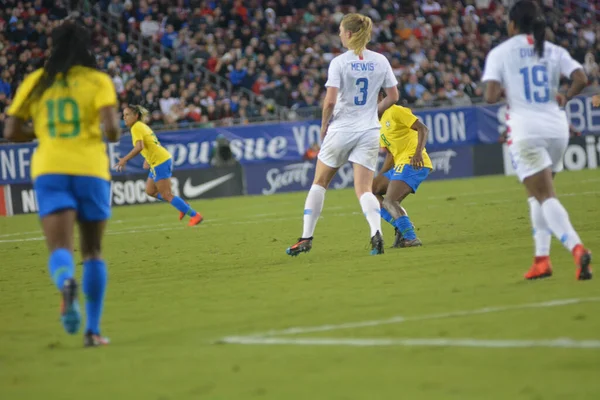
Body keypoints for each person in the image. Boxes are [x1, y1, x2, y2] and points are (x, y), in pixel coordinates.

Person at [3, 19, 121, 346]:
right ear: (87, 47)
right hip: (90, 167)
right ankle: (93, 331)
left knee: (59, 248)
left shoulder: (37, 82)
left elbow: (11, 131)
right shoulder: (98, 81)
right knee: (93, 250)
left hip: (50, 168)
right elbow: (112, 130)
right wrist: (99, 132)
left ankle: (65, 281)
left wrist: (41, 132)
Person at [482, 0, 592, 280]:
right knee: (538, 196)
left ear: (512, 24)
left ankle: (577, 248)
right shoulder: (553, 49)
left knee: (544, 195)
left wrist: (512, 93)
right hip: (557, 128)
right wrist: (565, 96)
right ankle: (541, 260)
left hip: (526, 130)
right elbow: (581, 77)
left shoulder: (501, 52)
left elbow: (490, 96)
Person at [286, 13, 399, 256]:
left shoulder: (339, 62)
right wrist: (373, 111)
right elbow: (393, 96)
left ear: (348, 33)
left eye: (340, 30)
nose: (339, 34)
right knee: (364, 190)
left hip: (341, 129)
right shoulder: (381, 60)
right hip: (369, 131)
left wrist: (323, 125)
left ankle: (306, 238)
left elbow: (329, 102)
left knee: (320, 182)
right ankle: (375, 233)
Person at [115, 105, 204, 226]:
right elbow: (153, 142)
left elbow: (139, 147)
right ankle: (182, 205)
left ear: (136, 116)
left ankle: (195, 215)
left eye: (127, 115)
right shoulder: (141, 126)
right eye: (123, 115)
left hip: (160, 161)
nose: (124, 118)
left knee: (166, 195)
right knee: (150, 191)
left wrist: (124, 159)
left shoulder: (136, 127)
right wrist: (147, 159)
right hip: (157, 160)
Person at [372, 89, 432, 248]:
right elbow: (391, 154)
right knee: (370, 191)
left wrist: (418, 152)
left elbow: (423, 129)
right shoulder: (379, 122)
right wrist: (381, 175)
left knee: (390, 201)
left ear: (380, 96)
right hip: (399, 163)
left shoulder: (395, 110)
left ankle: (411, 237)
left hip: (413, 162)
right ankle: (400, 227)